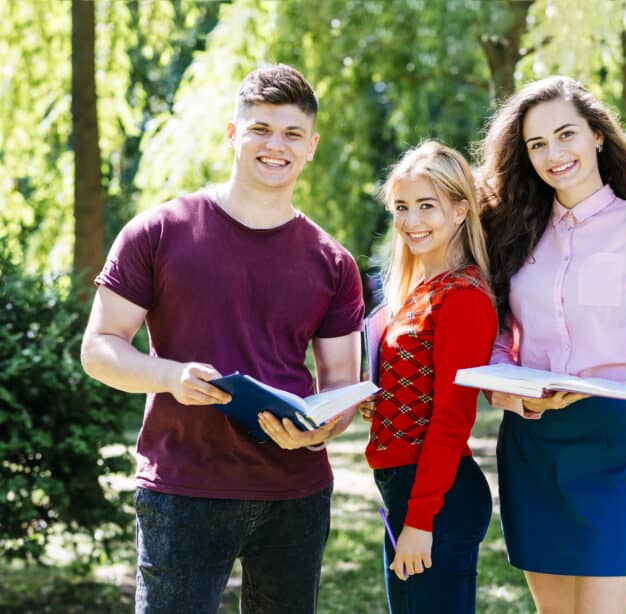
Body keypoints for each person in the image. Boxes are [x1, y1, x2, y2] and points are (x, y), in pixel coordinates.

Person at [80, 64, 364, 614]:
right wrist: (170, 378)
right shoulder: (158, 231)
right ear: (233, 134)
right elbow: (100, 347)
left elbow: (340, 383)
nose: (274, 145)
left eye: (291, 134)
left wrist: (315, 432)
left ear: (311, 147)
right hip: (182, 489)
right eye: (259, 128)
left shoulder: (333, 261)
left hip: (296, 495)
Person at [477, 76, 626, 614]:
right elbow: (497, 346)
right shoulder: (512, 234)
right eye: (537, 144)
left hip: (616, 443)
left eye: (566, 135)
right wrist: (512, 394)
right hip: (532, 445)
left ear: (597, 135)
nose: (554, 154)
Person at [359, 141, 498, 613]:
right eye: (401, 207)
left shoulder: (462, 295)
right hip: (405, 490)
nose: (411, 221)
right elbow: (419, 386)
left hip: (435, 498)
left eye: (426, 207)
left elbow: (453, 416)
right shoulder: (418, 290)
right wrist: (380, 400)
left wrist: (420, 520)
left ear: (460, 211)